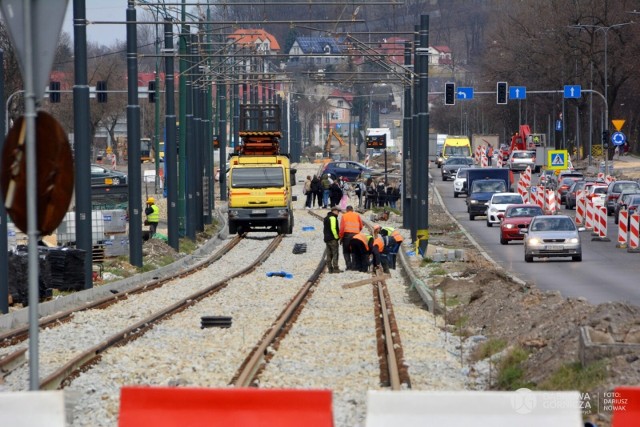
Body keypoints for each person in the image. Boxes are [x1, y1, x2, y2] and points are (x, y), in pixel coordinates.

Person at [339, 205, 364, 270]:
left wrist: (341, 237)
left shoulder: (344, 216)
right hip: (356, 235)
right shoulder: (357, 215)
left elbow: (342, 228)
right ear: (352, 210)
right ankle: (354, 266)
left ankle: (348, 266)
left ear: (346, 210)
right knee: (354, 250)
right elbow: (361, 226)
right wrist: (357, 231)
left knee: (346, 251)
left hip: (347, 235)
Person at [323, 207, 341, 273]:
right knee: (335, 253)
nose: (338, 213)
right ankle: (336, 268)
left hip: (327, 238)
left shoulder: (326, 217)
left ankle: (330, 268)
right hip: (332, 238)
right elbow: (333, 228)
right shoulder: (333, 218)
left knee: (329, 253)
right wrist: (336, 237)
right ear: (334, 211)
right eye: (338, 211)